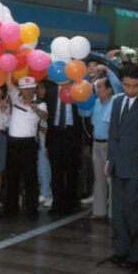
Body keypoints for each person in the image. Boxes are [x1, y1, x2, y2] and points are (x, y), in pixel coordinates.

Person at [105, 64, 138, 269]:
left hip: (137, 167)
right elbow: (114, 135)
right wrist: (109, 160)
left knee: (133, 212)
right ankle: (121, 250)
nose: (130, 89)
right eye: (126, 85)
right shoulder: (118, 102)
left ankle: (137, 253)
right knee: (117, 212)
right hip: (118, 165)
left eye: (135, 86)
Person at [1, 76, 48, 220]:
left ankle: (31, 211)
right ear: (20, 89)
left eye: (30, 88)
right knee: (12, 177)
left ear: (34, 88)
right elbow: (8, 82)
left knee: (30, 178)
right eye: (24, 89)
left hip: (28, 143)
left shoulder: (40, 103)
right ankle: (11, 209)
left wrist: (36, 111)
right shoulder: (15, 97)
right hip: (13, 142)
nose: (27, 91)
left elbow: (45, 116)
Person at [44, 78, 84, 216]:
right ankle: (57, 204)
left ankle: (71, 204)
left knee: (71, 171)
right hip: (55, 134)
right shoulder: (50, 93)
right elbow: (47, 119)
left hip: (72, 134)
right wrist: (47, 145)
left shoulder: (77, 92)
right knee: (56, 172)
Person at [78, 77, 114, 219]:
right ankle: (99, 212)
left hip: (109, 143)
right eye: (97, 87)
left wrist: (107, 71)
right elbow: (84, 114)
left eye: (100, 87)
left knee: (111, 179)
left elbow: (116, 83)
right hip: (97, 142)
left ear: (109, 89)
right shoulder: (96, 103)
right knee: (98, 178)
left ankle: (112, 214)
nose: (97, 90)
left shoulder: (115, 101)